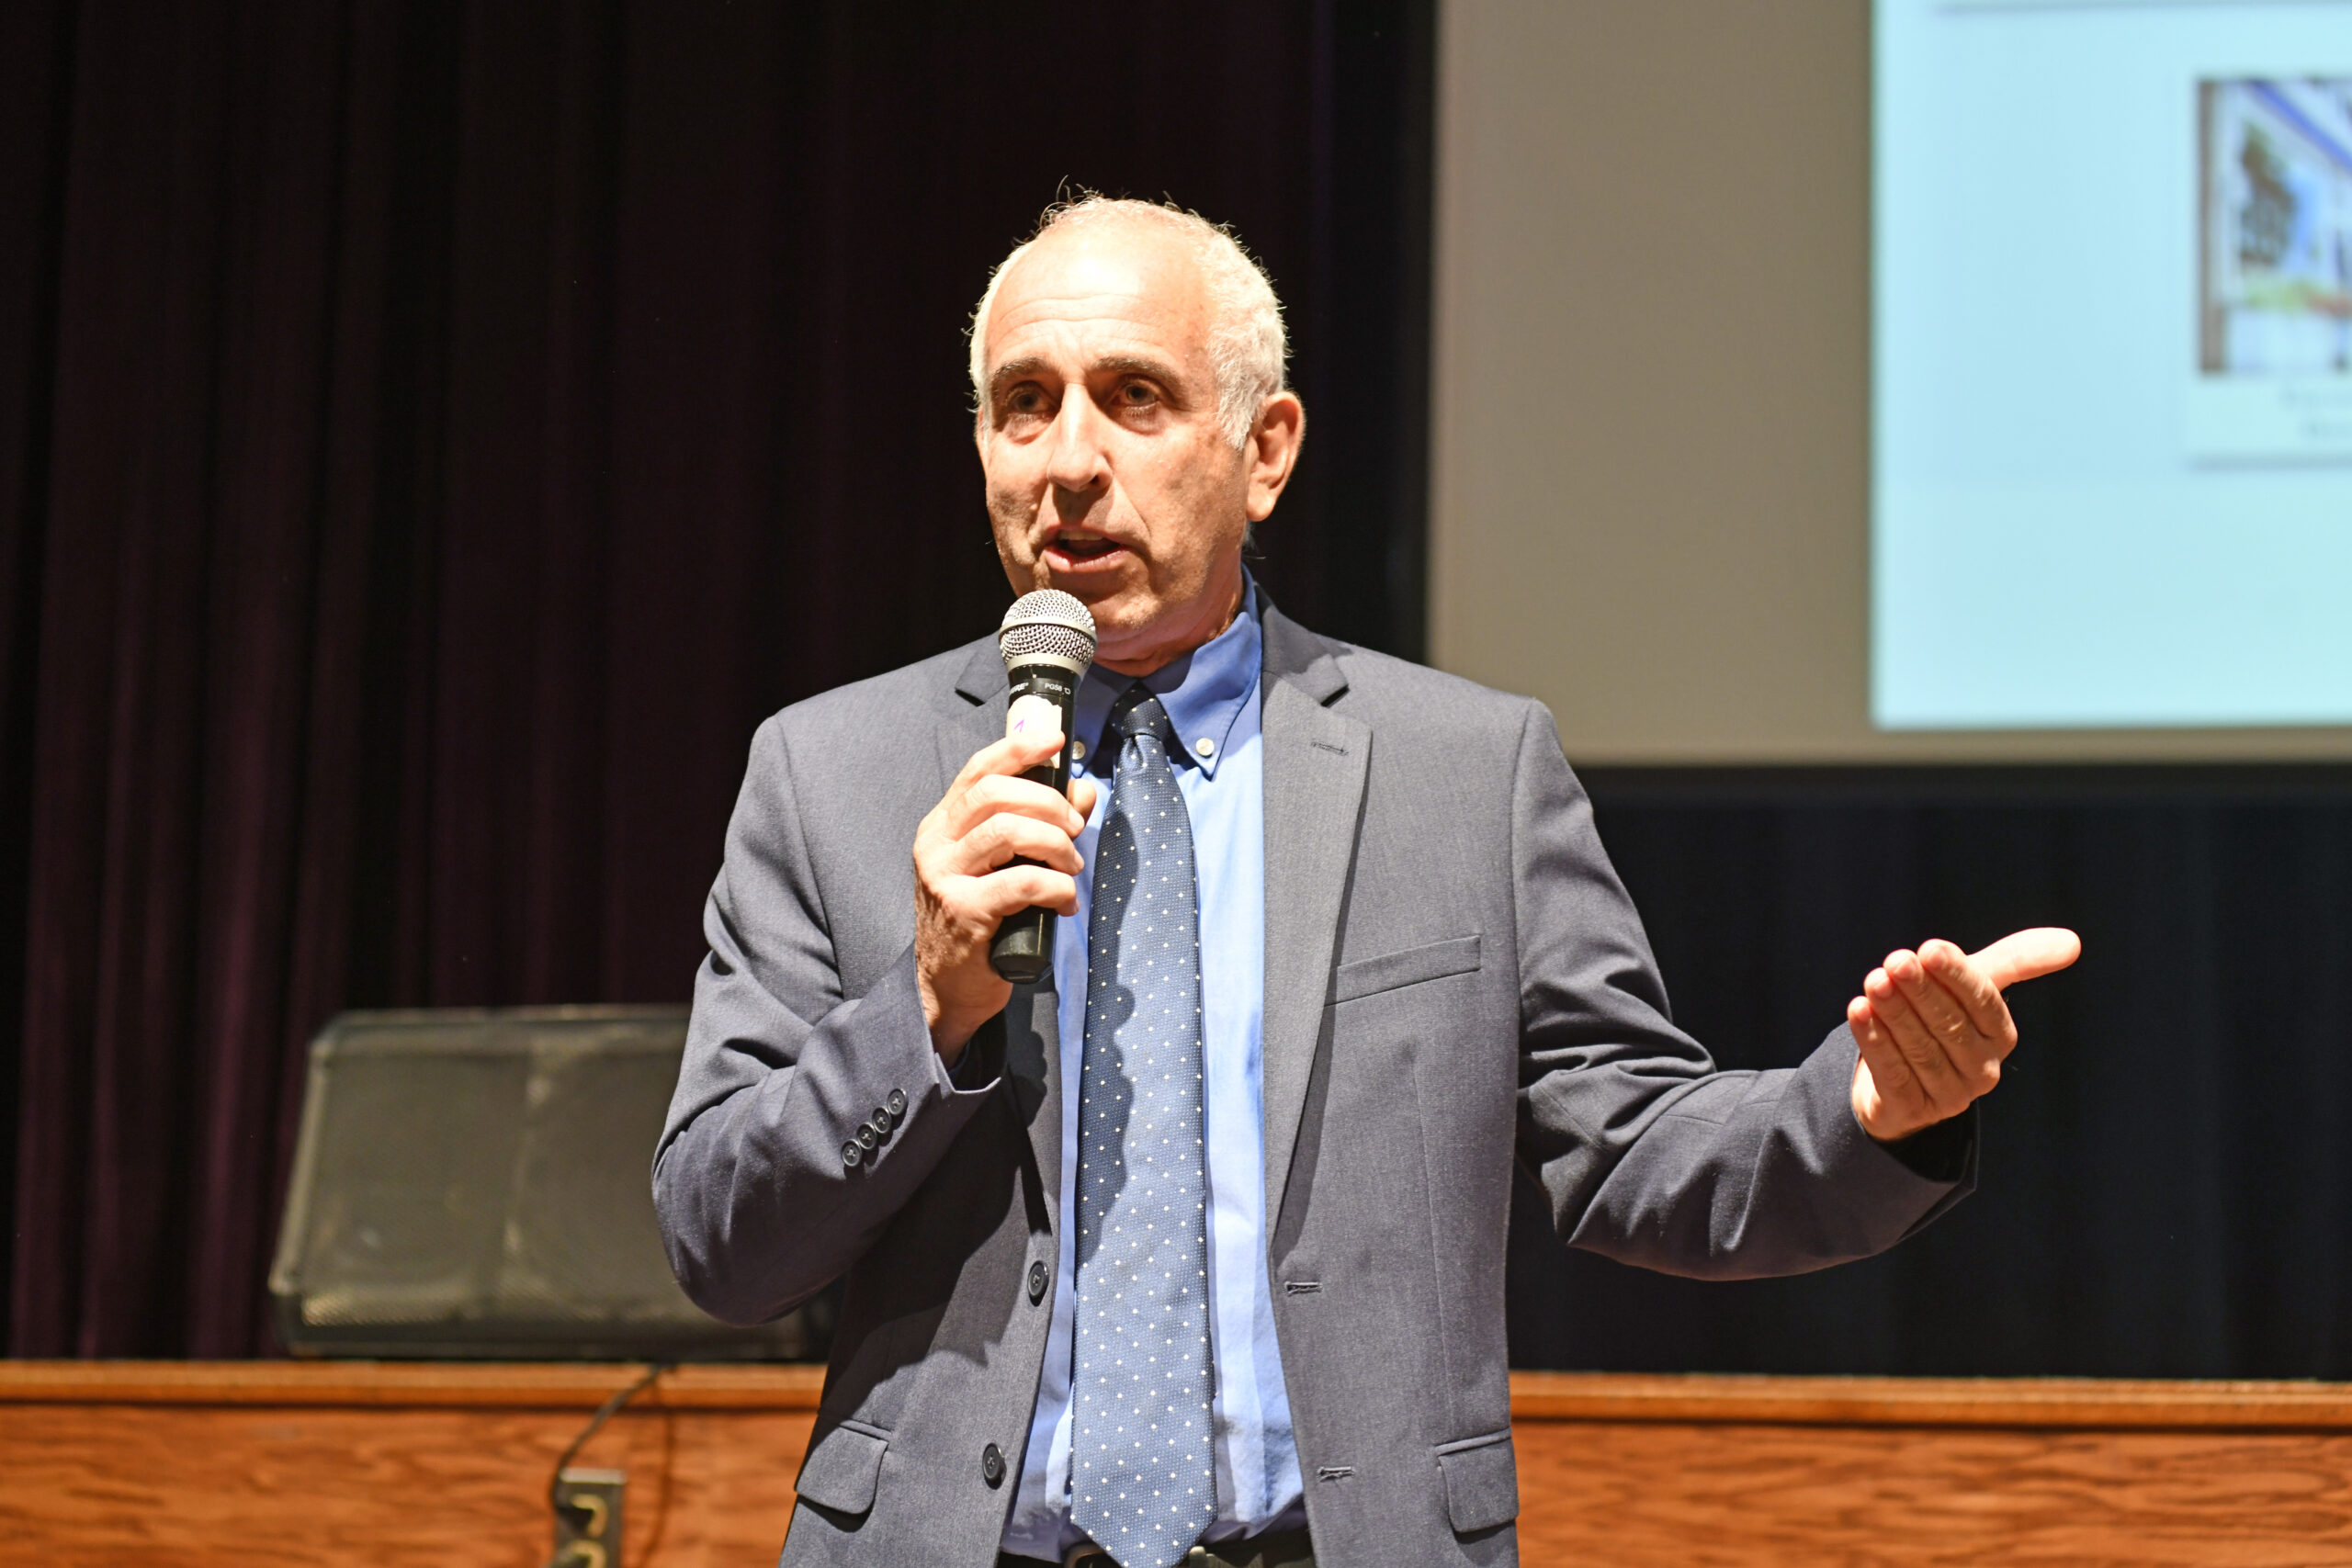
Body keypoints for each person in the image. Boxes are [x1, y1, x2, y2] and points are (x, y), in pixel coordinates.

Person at [652, 197, 2079, 1568]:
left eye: (1134, 398)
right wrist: (925, 1003)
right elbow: (718, 1238)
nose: (1067, 461)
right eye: (1024, 404)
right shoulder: (831, 773)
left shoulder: (1466, 769)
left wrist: (1872, 1111)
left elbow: (1635, 1148)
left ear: (1264, 449)